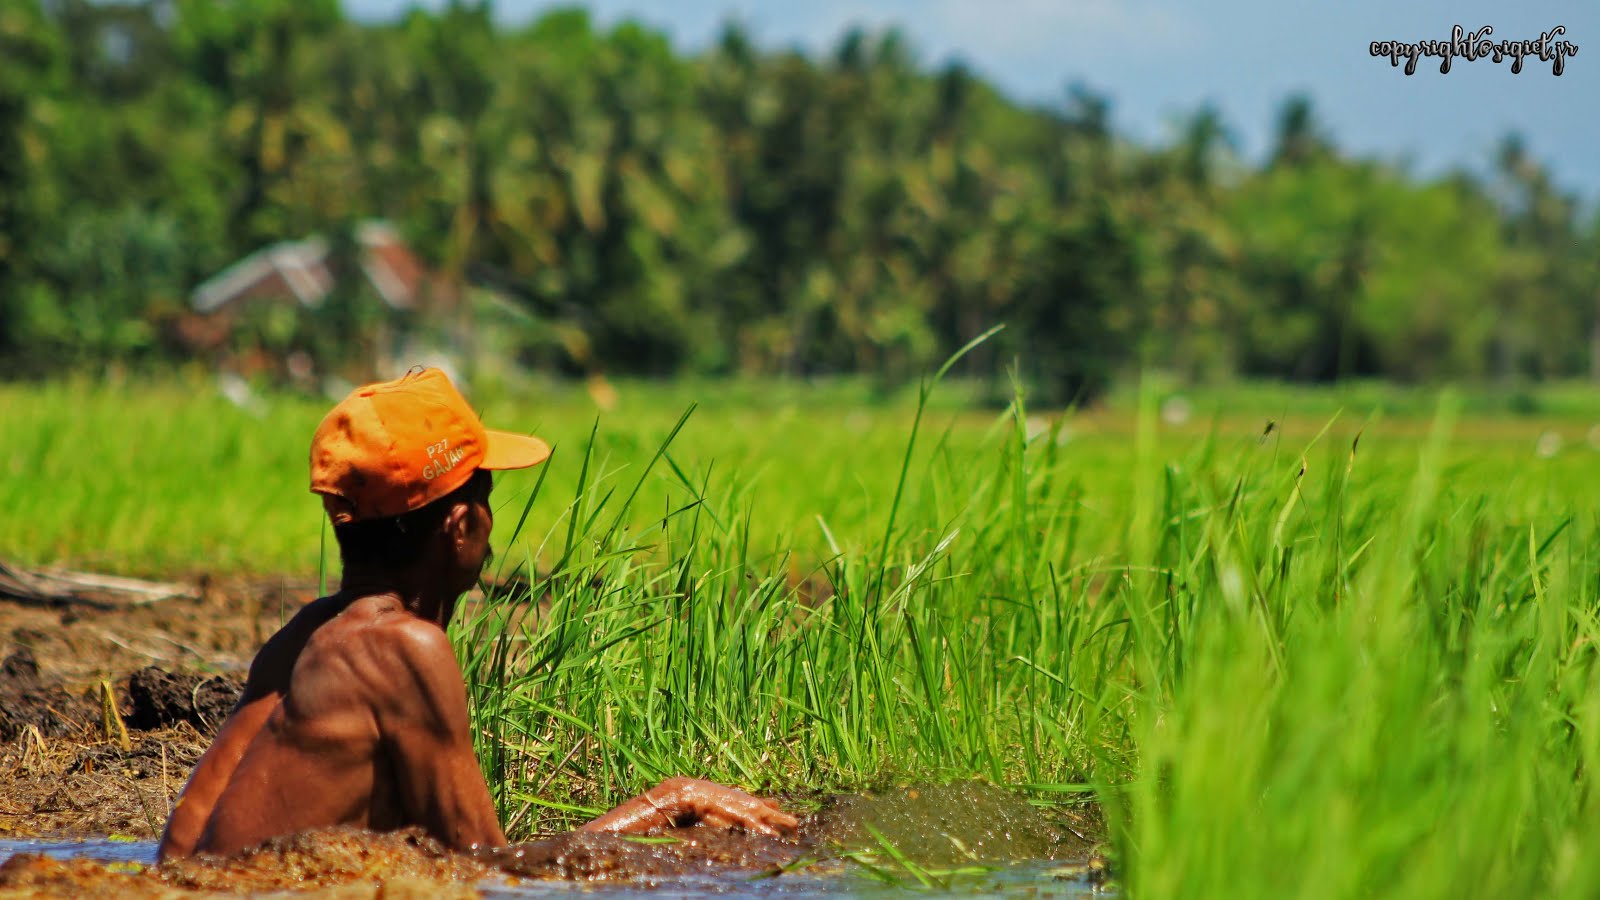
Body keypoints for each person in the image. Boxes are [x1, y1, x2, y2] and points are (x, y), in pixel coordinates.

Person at [157, 368, 796, 861]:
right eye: (485, 495)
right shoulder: (405, 649)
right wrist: (671, 801)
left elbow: (180, 855)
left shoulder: (297, 640)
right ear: (461, 527)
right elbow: (490, 872)